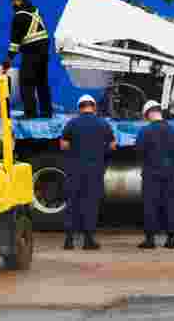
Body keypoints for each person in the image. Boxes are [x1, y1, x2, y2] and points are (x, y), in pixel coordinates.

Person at [60, 94, 116, 251]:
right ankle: (88, 240)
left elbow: (63, 145)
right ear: (94, 107)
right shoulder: (103, 124)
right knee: (90, 204)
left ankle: (69, 240)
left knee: (72, 203)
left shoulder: (71, 123)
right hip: (94, 171)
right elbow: (112, 146)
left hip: (74, 170)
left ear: (79, 108)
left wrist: (75, 151)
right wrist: (100, 152)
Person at [136, 100, 174, 250]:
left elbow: (139, 151)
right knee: (170, 204)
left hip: (151, 173)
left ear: (149, 114)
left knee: (150, 205)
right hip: (169, 173)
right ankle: (170, 240)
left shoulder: (145, 131)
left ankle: (150, 240)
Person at [2, 0, 53, 119]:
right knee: (42, 82)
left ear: (17, 0)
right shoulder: (35, 11)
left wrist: (8, 60)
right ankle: (47, 112)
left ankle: (30, 113)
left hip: (31, 52)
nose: (12, 4)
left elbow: (14, 43)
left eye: (13, 1)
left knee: (27, 82)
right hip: (44, 51)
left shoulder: (19, 17)